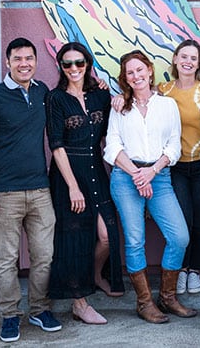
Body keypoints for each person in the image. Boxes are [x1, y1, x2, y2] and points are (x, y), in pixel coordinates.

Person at [0, 37, 62, 342]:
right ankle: (10, 316)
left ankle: (38, 310)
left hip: (40, 190)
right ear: (8, 62)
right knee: (6, 259)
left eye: (29, 58)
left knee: (44, 256)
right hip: (5, 193)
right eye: (18, 59)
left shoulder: (42, 92)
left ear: (36, 61)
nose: (24, 63)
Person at [103, 50, 196, 324]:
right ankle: (144, 303)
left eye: (140, 70)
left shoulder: (166, 106)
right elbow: (113, 146)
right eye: (130, 72)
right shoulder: (120, 107)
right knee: (135, 241)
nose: (136, 76)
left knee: (179, 237)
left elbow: (174, 145)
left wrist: (151, 171)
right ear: (125, 78)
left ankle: (167, 298)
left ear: (150, 71)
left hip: (160, 176)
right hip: (125, 177)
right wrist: (136, 174)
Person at [45, 42, 124, 325]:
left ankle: (94, 275)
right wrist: (72, 187)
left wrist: (116, 96)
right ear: (61, 67)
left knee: (106, 234)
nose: (74, 69)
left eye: (79, 63)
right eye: (68, 64)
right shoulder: (55, 98)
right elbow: (56, 144)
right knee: (74, 237)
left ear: (87, 64)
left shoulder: (99, 95)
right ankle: (79, 302)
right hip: (68, 172)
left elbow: (115, 123)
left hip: (95, 168)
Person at [157, 40, 200, 295]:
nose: (188, 61)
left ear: (199, 63)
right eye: (184, 56)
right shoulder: (163, 90)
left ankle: (194, 270)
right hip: (176, 165)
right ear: (176, 59)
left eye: (194, 57)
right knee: (182, 218)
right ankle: (179, 269)